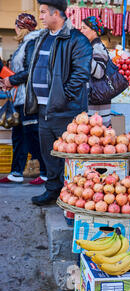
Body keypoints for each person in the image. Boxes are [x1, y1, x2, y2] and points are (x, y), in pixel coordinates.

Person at [25, 0, 92, 205]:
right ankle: (53, 190)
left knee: (70, 156)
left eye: (44, 12)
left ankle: (72, 195)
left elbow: (81, 74)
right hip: (44, 109)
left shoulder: (77, 40)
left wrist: (62, 98)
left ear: (57, 14)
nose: (41, 17)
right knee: (49, 154)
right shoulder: (42, 38)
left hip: (66, 110)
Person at [0, 13, 47, 185]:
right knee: (18, 135)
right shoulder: (24, 44)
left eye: (16, 25)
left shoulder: (32, 43)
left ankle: (45, 173)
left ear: (22, 27)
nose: (14, 28)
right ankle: (16, 172)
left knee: (32, 134)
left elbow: (31, 70)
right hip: (19, 96)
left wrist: (11, 80)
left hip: (29, 97)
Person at [80, 16, 112, 127]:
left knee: (97, 137)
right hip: (93, 103)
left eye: (84, 28)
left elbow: (99, 72)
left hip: (97, 107)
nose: (81, 31)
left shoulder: (98, 48)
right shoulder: (90, 47)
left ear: (94, 31)